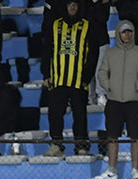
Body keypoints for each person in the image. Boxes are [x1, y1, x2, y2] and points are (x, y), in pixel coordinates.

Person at [94, 20, 138, 179]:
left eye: (129, 31)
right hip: (114, 102)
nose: (126, 35)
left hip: (134, 102)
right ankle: (112, 170)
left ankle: (135, 170)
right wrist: (109, 86)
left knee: (135, 137)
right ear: (118, 34)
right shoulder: (111, 53)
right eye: (123, 32)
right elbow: (102, 72)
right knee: (112, 137)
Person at [43, 0, 100, 156]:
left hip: (78, 80)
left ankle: (81, 146)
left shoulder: (87, 26)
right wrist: (46, 74)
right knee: (55, 114)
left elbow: (93, 54)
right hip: (57, 78)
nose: (72, 7)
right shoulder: (55, 25)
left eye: (75, 4)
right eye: (69, 4)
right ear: (65, 6)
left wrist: (86, 77)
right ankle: (56, 145)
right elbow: (47, 49)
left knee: (80, 115)